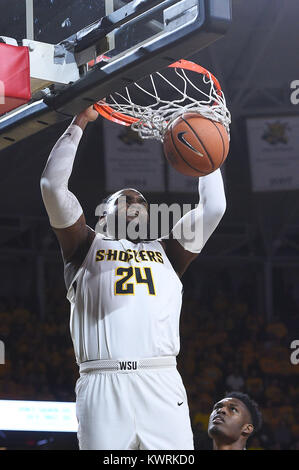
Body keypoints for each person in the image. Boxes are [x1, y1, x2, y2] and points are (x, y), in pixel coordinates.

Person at [40, 105, 226, 450]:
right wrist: (79, 122)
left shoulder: (169, 250)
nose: (136, 202)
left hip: (160, 379)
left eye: (141, 200)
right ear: (102, 214)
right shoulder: (84, 245)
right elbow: (52, 185)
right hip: (102, 381)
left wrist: (207, 155)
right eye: (125, 199)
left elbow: (213, 208)